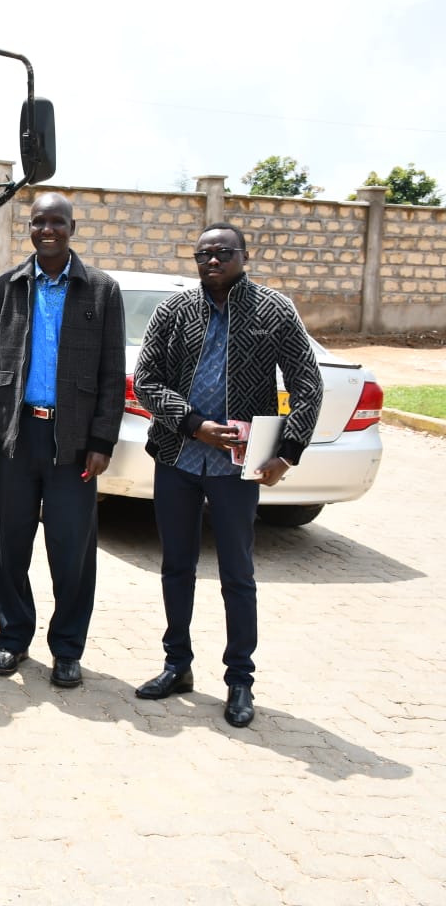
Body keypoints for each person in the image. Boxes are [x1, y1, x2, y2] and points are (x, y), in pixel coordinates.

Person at [132, 222, 323, 727]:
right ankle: (177, 665)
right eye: (203, 254)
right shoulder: (174, 310)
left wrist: (288, 452)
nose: (212, 260)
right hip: (177, 458)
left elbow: (307, 383)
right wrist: (194, 424)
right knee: (176, 566)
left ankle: (240, 680)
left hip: (239, 468)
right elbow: (146, 380)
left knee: (237, 574)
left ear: (243, 255)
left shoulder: (273, 309)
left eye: (222, 252)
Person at [0, 192, 126, 689]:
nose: (47, 230)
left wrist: (102, 440)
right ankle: (13, 638)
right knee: (10, 545)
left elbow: (112, 373)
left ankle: (67, 649)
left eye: (57, 222)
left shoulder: (101, 291)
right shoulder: (6, 287)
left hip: (73, 444)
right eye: (39, 222)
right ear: (30, 228)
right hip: (16, 438)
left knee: (70, 550)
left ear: (73, 228)